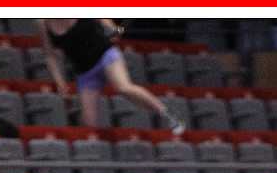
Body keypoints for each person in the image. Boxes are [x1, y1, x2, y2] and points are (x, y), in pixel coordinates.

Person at [38, 18, 184, 134]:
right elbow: (50, 56)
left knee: (123, 87)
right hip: (85, 72)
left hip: (105, 56)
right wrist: (59, 81)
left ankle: (167, 114)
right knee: (89, 124)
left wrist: (116, 31)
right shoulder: (44, 24)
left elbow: (107, 22)